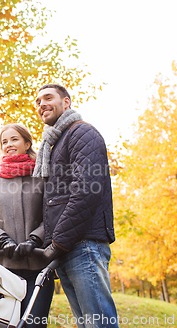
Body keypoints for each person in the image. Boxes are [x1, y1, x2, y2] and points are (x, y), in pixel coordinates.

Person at [33, 83, 119, 328]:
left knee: (99, 324)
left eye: (48, 98)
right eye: (38, 102)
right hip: (68, 247)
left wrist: (58, 241)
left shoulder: (81, 133)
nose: (41, 105)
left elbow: (86, 190)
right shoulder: (55, 144)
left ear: (66, 102)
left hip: (84, 245)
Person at [0, 123, 54, 328]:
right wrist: (2, 240)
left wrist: (35, 239)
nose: (9, 144)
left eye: (14, 139)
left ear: (27, 143)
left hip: (37, 267)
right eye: (4, 141)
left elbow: (52, 215)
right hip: (0, 268)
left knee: (33, 324)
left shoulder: (42, 178)